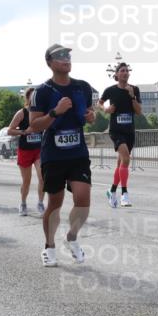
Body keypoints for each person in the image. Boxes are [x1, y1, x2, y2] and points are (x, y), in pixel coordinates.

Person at [29, 44, 96, 267]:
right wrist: (55, 112)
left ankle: (72, 238)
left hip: (77, 152)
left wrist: (90, 116)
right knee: (55, 204)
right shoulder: (43, 91)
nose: (66, 59)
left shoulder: (82, 87)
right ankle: (49, 246)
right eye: (60, 56)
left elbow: (88, 113)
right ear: (49, 63)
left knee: (83, 200)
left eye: (67, 55)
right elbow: (35, 125)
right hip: (53, 155)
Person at [98, 62, 141, 208]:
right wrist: (105, 109)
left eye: (127, 70)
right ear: (116, 75)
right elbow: (99, 103)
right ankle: (124, 194)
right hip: (116, 131)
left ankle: (111, 191)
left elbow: (139, 111)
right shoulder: (110, 90)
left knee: (121, 163)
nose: (125, 72)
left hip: (129, 131)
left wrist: (132, 96)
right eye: (122, 71)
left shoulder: (134, 89)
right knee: (127, 159)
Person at [7, 87, 46, 216]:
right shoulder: (22, 113)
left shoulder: (42, 112)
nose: (34, 98)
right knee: (27, 181)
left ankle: (40, 203)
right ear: (28, 98)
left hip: (39, 150)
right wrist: (24, 132)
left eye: (37, 96)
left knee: (43, 178)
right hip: (25, 150)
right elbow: (9, 130)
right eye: (32, 96)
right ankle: (23, 203)